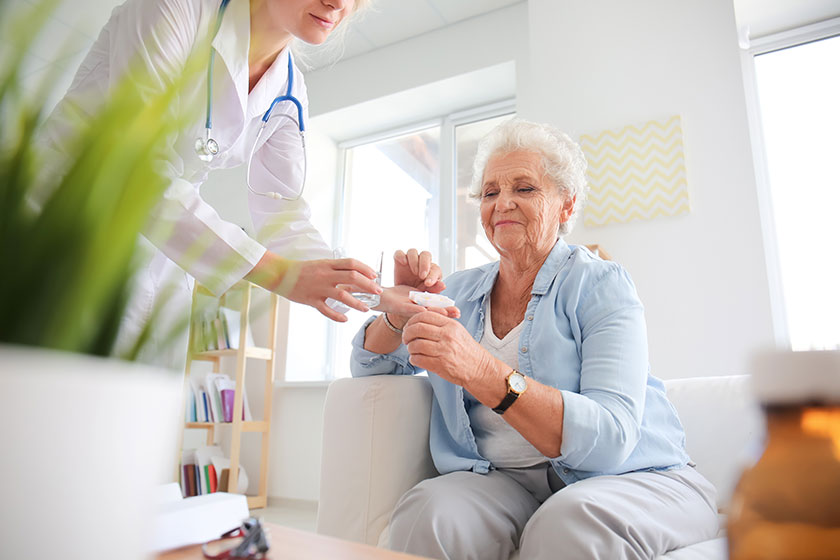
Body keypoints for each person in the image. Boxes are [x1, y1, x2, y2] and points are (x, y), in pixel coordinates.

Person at [350, 119, 719, 559]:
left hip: (632, 478)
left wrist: (482, 370)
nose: (502, 202)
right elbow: (372, 367)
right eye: (490, 193)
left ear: (566, 205)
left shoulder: (600, 283)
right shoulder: (459, 292)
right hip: (508, 484)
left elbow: (612, 435)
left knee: (568, 522)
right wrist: (397, 314)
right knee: (428, 511)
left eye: (524, 189)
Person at [39, 0, 440, 366]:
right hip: (61, 225)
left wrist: (379, 297)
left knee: (131, 423)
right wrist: (278, 274)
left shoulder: (289, 90)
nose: (339, 4)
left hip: (158, 257)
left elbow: (283, 215)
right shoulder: (174, 10)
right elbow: (136, 169)